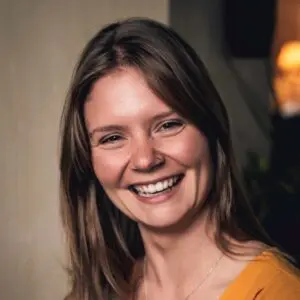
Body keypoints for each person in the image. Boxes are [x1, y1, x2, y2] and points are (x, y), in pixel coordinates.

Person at [59, 18, 300, 300]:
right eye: (113, 138)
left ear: (210, 130)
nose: (145, 159)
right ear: (88, 161)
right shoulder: (99, 291)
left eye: (168, 125)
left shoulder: (276, 292)